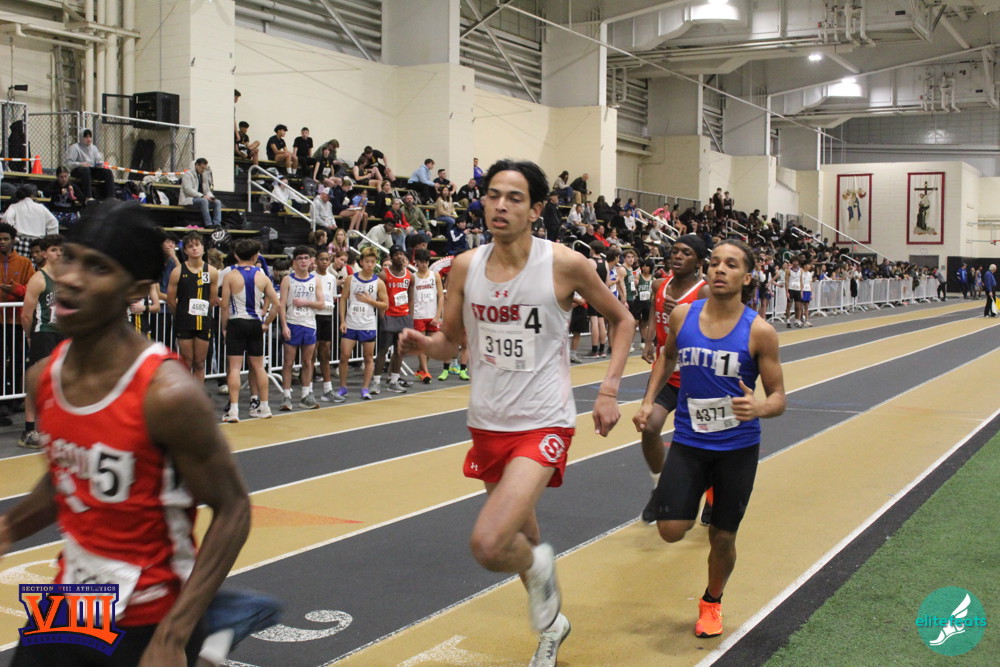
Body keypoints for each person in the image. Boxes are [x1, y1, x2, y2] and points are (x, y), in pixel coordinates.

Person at [399, 159, 634, 666]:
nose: (500, 206)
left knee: (490, 543)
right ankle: (552, 627)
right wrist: (423, 344)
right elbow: (450, 343)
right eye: (493, 195)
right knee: (523, 538)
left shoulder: (564, 264)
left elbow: (622, 320)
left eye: (514, 197)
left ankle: (542, 572)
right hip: (487, 421)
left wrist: (609, 390)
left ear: (536, 209)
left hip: (544, 420)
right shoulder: (465, 266)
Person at [0, 201, 254, 664]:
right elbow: (67, 477)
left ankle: (213, 620)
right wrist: (8, 528)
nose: (71, 278)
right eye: (69, 258)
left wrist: (173, 635)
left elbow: (233, 508)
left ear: (134, 290)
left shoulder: (168, 395)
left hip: (153, 609)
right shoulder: (43, 378)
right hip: (76, 597)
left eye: (97, 267)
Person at [633, 238, 786, 640]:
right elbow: (667, 356)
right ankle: (700, 489)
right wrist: (648, 401)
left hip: (737, 449)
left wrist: (758, 407)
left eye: (731, 264)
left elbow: (779, 398)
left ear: (746, 277)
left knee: (722, 536)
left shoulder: (760, 332)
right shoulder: (683, 316)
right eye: (715, 262)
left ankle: (711, 602)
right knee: (670, 529)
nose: (720, 269)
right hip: (690, 442)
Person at [638, 235, 710, 523]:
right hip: (666, 373)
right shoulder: (660, 285)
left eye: (686, 253)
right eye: (675, 251)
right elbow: (653, 311)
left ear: (699, 262)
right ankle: (660, 488)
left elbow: (712, 332)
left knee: (705, 443)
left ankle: (713, 497)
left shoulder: (704, 292)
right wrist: (649, 339)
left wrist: (683, 316)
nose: (677, 256)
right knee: (649, 427)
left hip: (698, 378)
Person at [220, 239, 282, 422]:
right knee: (259, 367)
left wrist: (224, 327)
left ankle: (234, 410)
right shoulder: (262, 276)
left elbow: (225, 306)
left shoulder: (230, 276)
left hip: (236, 322)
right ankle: (265, 407)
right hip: (255, 323)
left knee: (234, 367)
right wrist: (266, 323)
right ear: (255, 256)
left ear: (236, 255)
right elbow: (277, 305)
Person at [17, 234, 63, 449]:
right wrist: (30, 336)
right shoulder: (38, 278)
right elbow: (26, 314)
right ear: (44, 253)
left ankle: (55, 425)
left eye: (61, 250)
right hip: (43, 332)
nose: (59, 253)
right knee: (38, 381)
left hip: (63, 333)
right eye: (54, 250)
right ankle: (29, 429)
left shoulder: (66, 277)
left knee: (60, 380)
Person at [334, 246, 388, 402]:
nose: (370, 264)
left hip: (368, 324)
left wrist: (370, 301)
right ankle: (343, 387)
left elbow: (385, 305)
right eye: (367, 261)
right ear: (362, 262)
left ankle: (365, 388)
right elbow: (343, 299)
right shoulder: (351, 279)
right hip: (351, 323)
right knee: (344, 356)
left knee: (368, 357)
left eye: (373, 262)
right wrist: (342, 320)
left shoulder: (379, 282)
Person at [167, 232, 220, 384]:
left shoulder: (212, 272)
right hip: (184, 322)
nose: (194, 249)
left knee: (200, 362)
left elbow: (212, 298)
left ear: (203, 248)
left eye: (197, 245)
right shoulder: (177, 272)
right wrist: (181, 315)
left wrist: (203, 313)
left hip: (203, 322)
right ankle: (186, 393)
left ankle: (199, 392)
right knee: (187, 361)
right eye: (190, 246)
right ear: (185, 250)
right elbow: (171, 300)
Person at [279, 246, 324, 411]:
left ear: (311, 260)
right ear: (294, 262)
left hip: (309, 324)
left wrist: (307, 302)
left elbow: (321, 303)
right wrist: (284, 325)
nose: (303, 261)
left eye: (306, 258)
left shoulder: (315, 280)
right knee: (288, 362)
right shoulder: (287, 280)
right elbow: (281, 305)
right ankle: (286, 396)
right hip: (292, 323)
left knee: (307, 361)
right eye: (300, 258)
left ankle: (306, 395)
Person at [372, 246, 414, 394]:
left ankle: (394, 381)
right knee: (383, 350)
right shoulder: (384, 275)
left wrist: (410, 317)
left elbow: (411, 297)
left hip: (404, 316)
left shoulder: (410, 275)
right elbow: (379, 297)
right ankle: (376, 382)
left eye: (401, 254)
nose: (400, 257)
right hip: (389, 315)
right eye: (396, 254)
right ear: (391, 257)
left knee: (400, 350)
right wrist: (382, 316)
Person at [411, 247, 444, 383]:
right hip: (418, 315)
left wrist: (437, 315)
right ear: (416, 262)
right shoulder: (412, 277)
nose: (424, 265)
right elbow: (410, 298)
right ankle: (426, 372)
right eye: (421, 262)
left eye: (426, 262)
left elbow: (441, 296)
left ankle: (421, 369)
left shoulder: (435, 276)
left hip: (432, 314)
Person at [2, 185, 58, 255]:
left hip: (20, 242)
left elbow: (6, 218)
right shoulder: (41, 207)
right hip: (38, 243)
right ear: (32, 195)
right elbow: (54, 222)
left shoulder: (14, 206)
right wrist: (50, 241)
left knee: (20, 262)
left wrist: (13, 237)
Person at [314, 249, 340, 401]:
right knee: (311, 354)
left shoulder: (331, 278)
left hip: (327, 317)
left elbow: (334, 297)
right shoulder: (311, 277)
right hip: (313, 317)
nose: (324, 262)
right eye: (321, 259)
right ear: (316, 260)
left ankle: (328, 388)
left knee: (325, 353)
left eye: (327, 259)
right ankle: (307, 389)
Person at [64, 129, 116, 200]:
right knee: (86, 170)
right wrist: (80, 164)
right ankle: (88, 196)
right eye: (86, 137)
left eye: (90, 137)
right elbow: (68, 164)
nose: (88, 139)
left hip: (90, 170)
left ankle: (111, 197)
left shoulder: (94, 148)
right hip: (78, 170)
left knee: (108, 172)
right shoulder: (75, 147)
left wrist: (100, 164)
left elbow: (98, 159)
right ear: (81, 138)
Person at [180, 158, 222, 228]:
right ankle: (208, 224)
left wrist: (211, 197)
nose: (203, 170)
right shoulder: (187, 174)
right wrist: (202, 196)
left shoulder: (203, 176)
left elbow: (207, 190)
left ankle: (217, 224)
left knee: (217, 202)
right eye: (202, 168)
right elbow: (188, 190)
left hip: (200, 199)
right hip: (189, 199)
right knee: (204, 201)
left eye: (204, 168)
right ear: (196, 165)